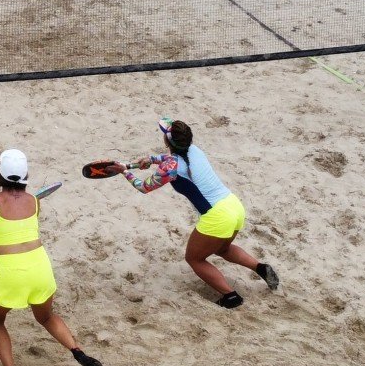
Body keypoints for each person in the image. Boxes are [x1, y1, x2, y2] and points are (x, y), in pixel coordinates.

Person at [0, 149, 104, 366]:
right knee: (46, 316)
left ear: (0, 174)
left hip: (12, 272)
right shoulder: (35, 202)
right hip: (40, 267)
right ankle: (78, 352)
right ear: (25, 175)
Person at [100, 119, 278, 309]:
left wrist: (124, 172)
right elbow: (169, 160)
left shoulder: (171, 167)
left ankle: (231, 296)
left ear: (167, 141)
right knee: (222, 249)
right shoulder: (194, 149)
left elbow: (144, 187)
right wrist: (148, 160)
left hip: (217, 216)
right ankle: (261, 268)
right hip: (234, 206)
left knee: (194, 259)